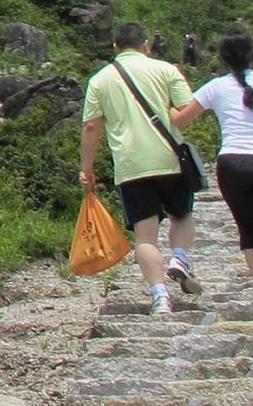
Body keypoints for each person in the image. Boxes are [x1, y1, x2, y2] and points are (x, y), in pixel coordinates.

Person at [81, 22, 203, 313]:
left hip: (131, 166)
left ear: (115, 46)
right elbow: (185, 115)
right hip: (169, 161)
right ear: (147, 44)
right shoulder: (166, 70)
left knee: (145, 235)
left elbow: (90, 127)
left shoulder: (100, 80)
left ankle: (160, 296)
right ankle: (180, 257)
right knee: (182, 216)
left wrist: (86, 170)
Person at [173, 32, 253, 317]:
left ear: (222, 58)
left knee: (248, 229)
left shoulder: (215, 87)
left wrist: (167, 100)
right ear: (252, 55)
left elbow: (180, 120)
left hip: (231, 164)